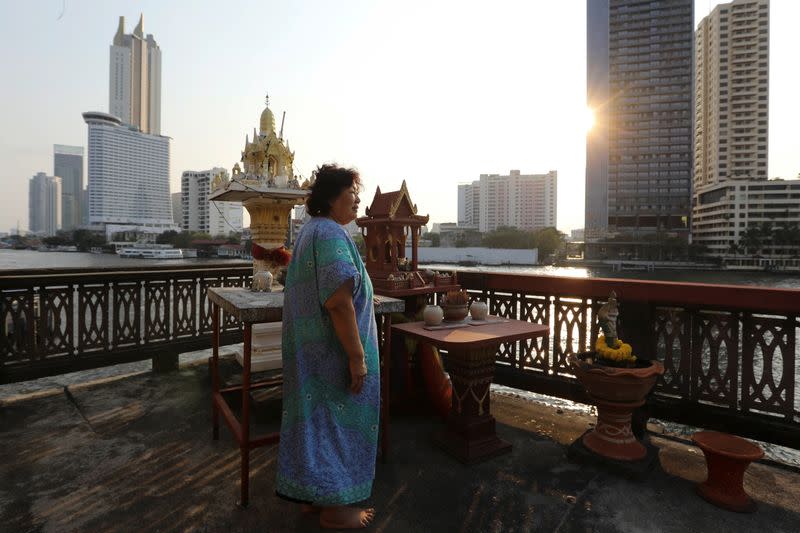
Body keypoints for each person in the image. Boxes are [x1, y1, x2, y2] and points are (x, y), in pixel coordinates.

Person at [275, 164, 378, 529]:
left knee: (316, 424)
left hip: (310, 355)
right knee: (338, 424)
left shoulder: (310, 232)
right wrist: (357, 359)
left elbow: (335, 292)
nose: (358, 199)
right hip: (332, 357)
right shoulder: (331, 234)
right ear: (333, 196)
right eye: (352, 192)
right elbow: (337, 301)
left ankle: (314, 496)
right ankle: (336, 507)